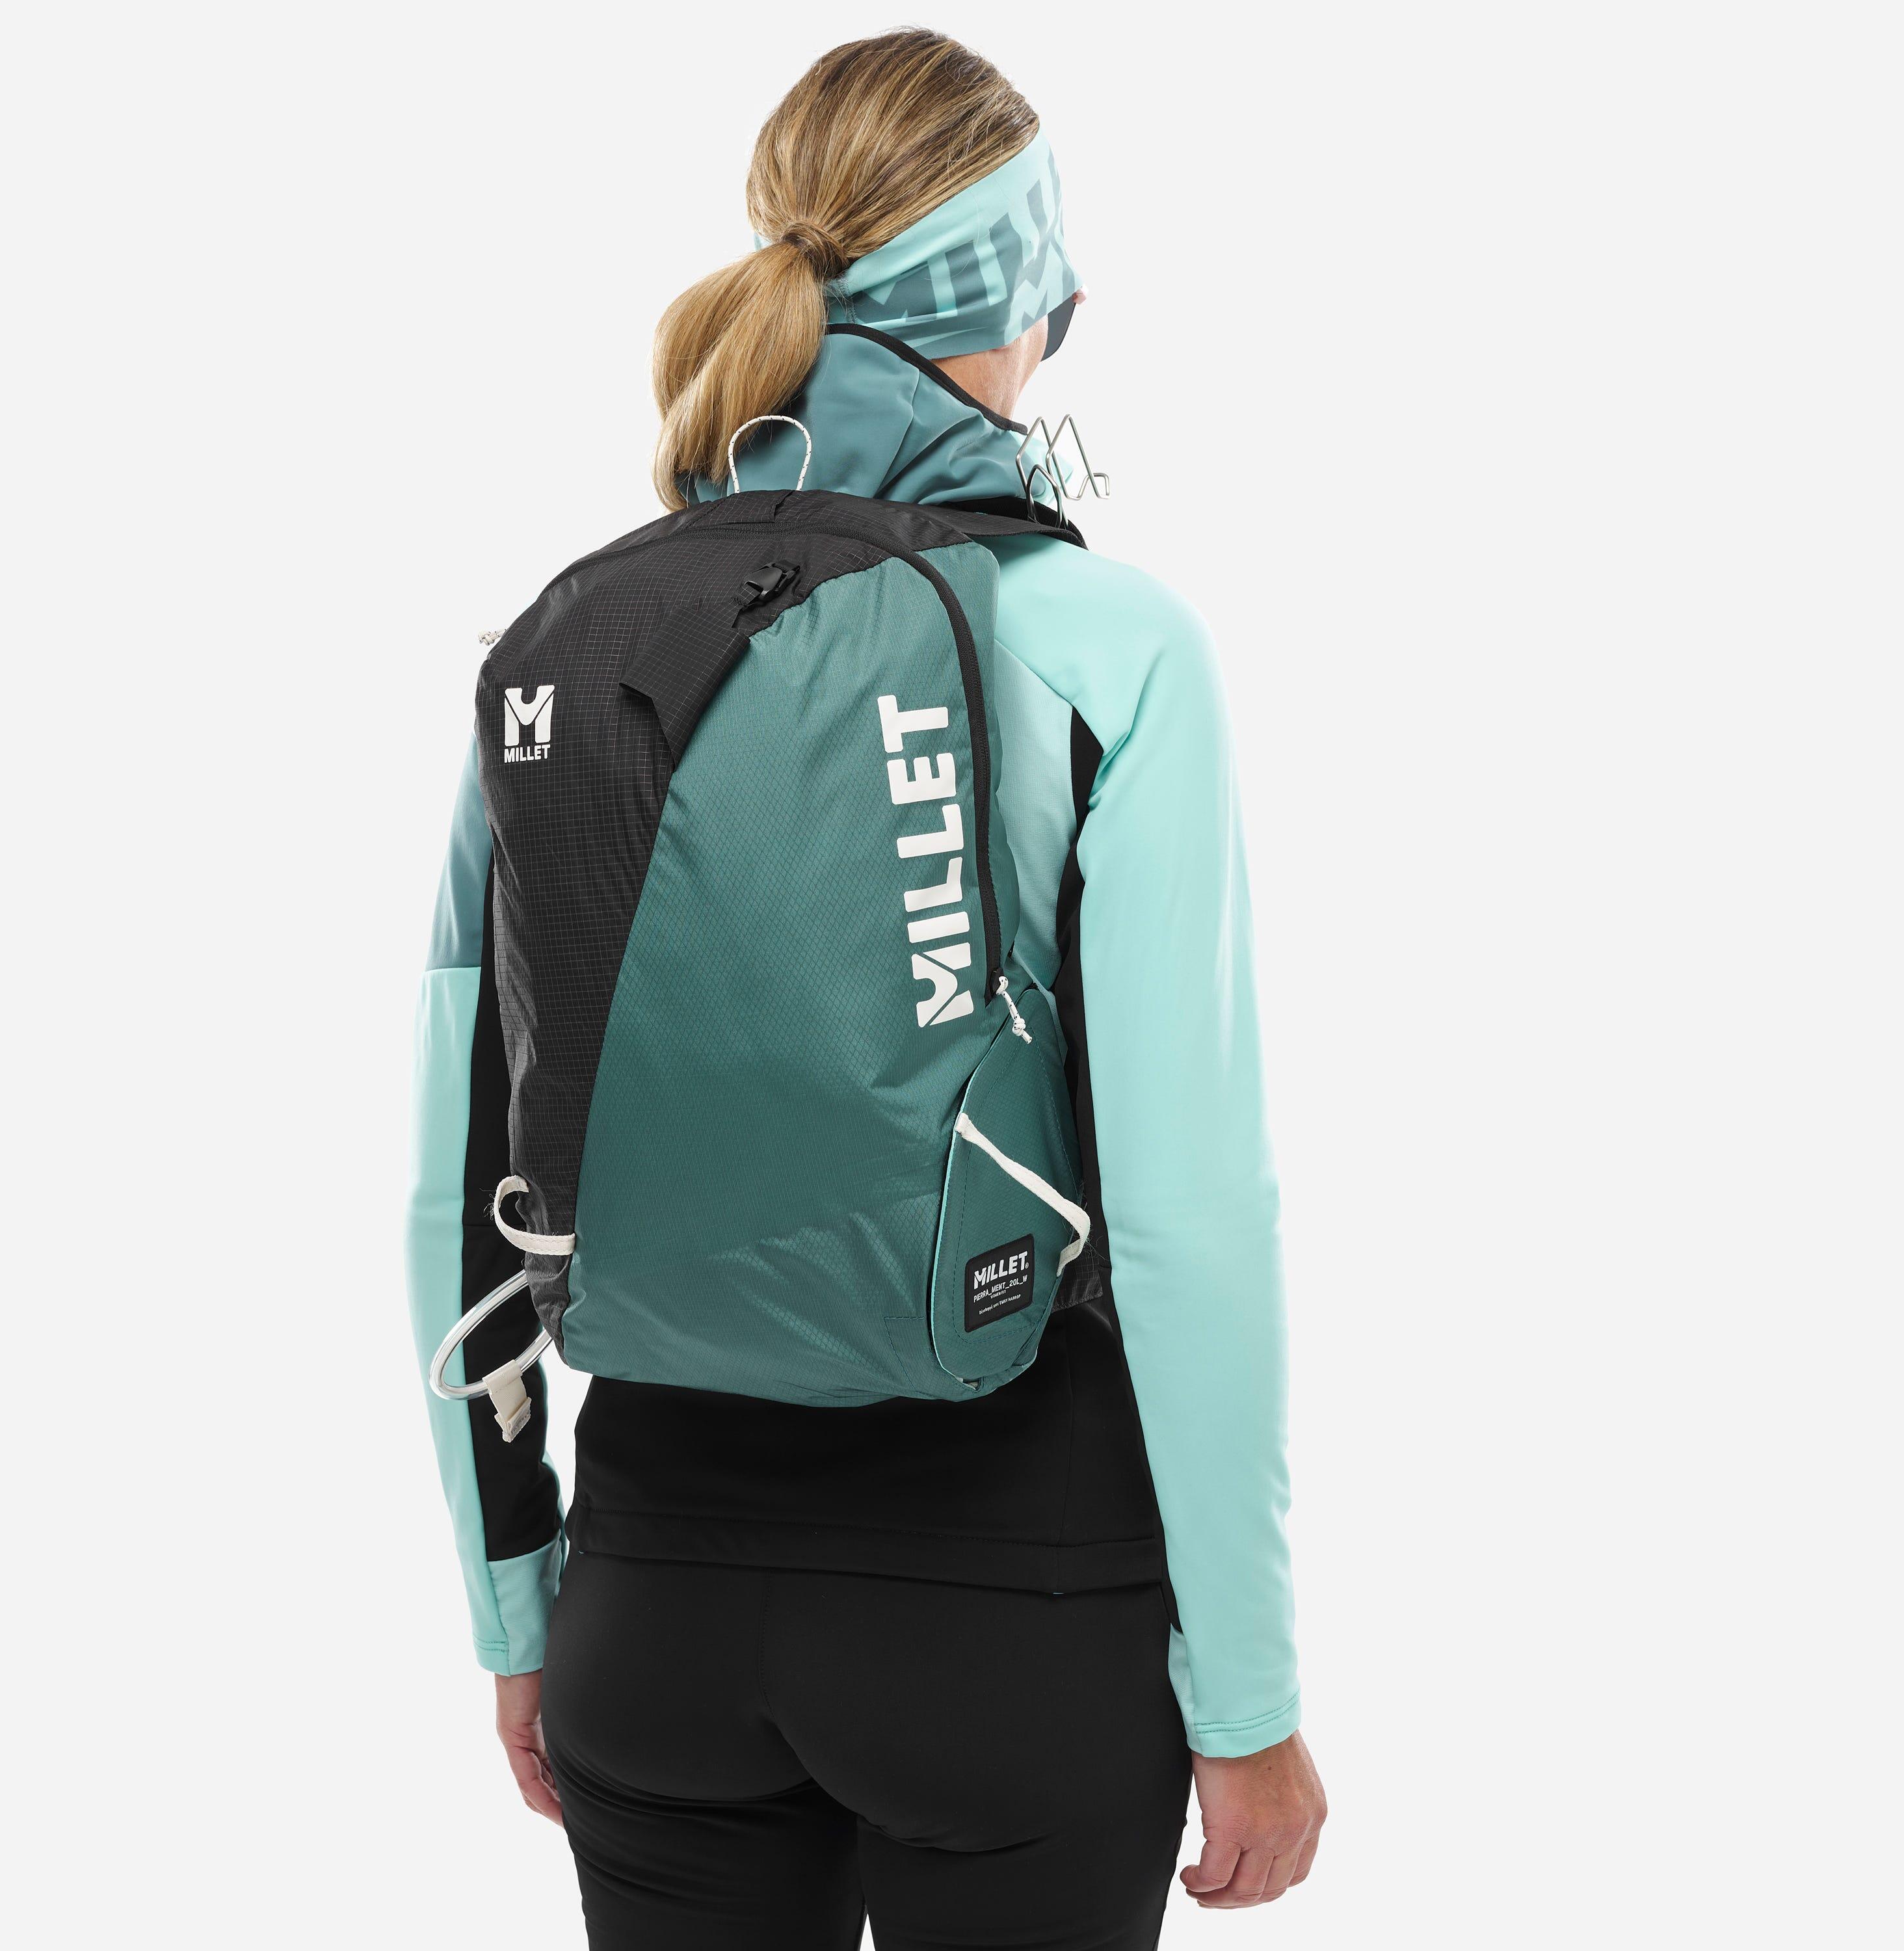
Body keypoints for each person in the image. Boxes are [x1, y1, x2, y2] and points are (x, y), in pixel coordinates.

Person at [407, 29, 1327, 1949]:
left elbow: (455, 1197)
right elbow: (1189, 1222)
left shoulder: (567, 643)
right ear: (1016, 299)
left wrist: (520, 1611)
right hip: (1020, 1621)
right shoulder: (1105, 641)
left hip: (649, 1608)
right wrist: (1247, 1702)